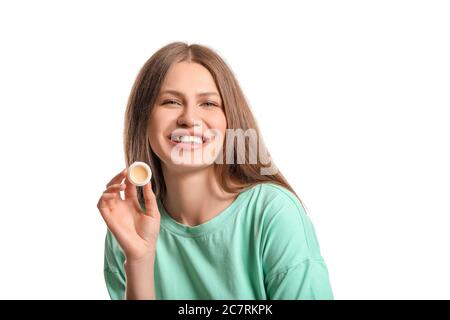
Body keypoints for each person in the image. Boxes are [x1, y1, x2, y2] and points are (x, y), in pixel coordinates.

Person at [97, 42, 334, 300]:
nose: (189, 118)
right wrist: (139, 260)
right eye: (171, 101)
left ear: (230, 120)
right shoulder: (129, 227)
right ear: (143, 120)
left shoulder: (272, 212)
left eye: (208, 103)